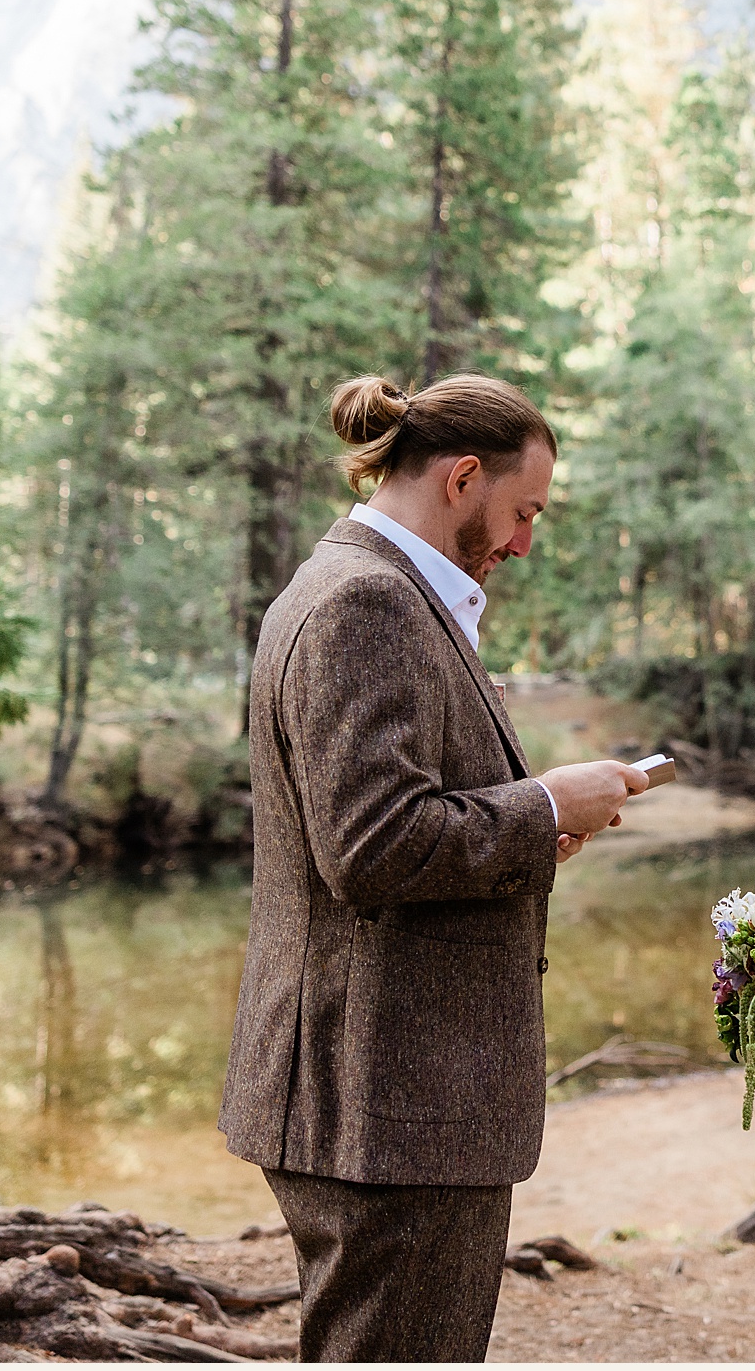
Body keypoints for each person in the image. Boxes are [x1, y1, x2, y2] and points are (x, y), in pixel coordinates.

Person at [218, 372, 648, 1362]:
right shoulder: (368, 598)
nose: (524, 541)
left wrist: (526, 823)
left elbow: (389, 823)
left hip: (383, 1099)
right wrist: (544, 805)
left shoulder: (362, 583)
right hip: (390, 1103)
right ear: (461, 476)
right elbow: (371, 846)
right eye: (522, 509)